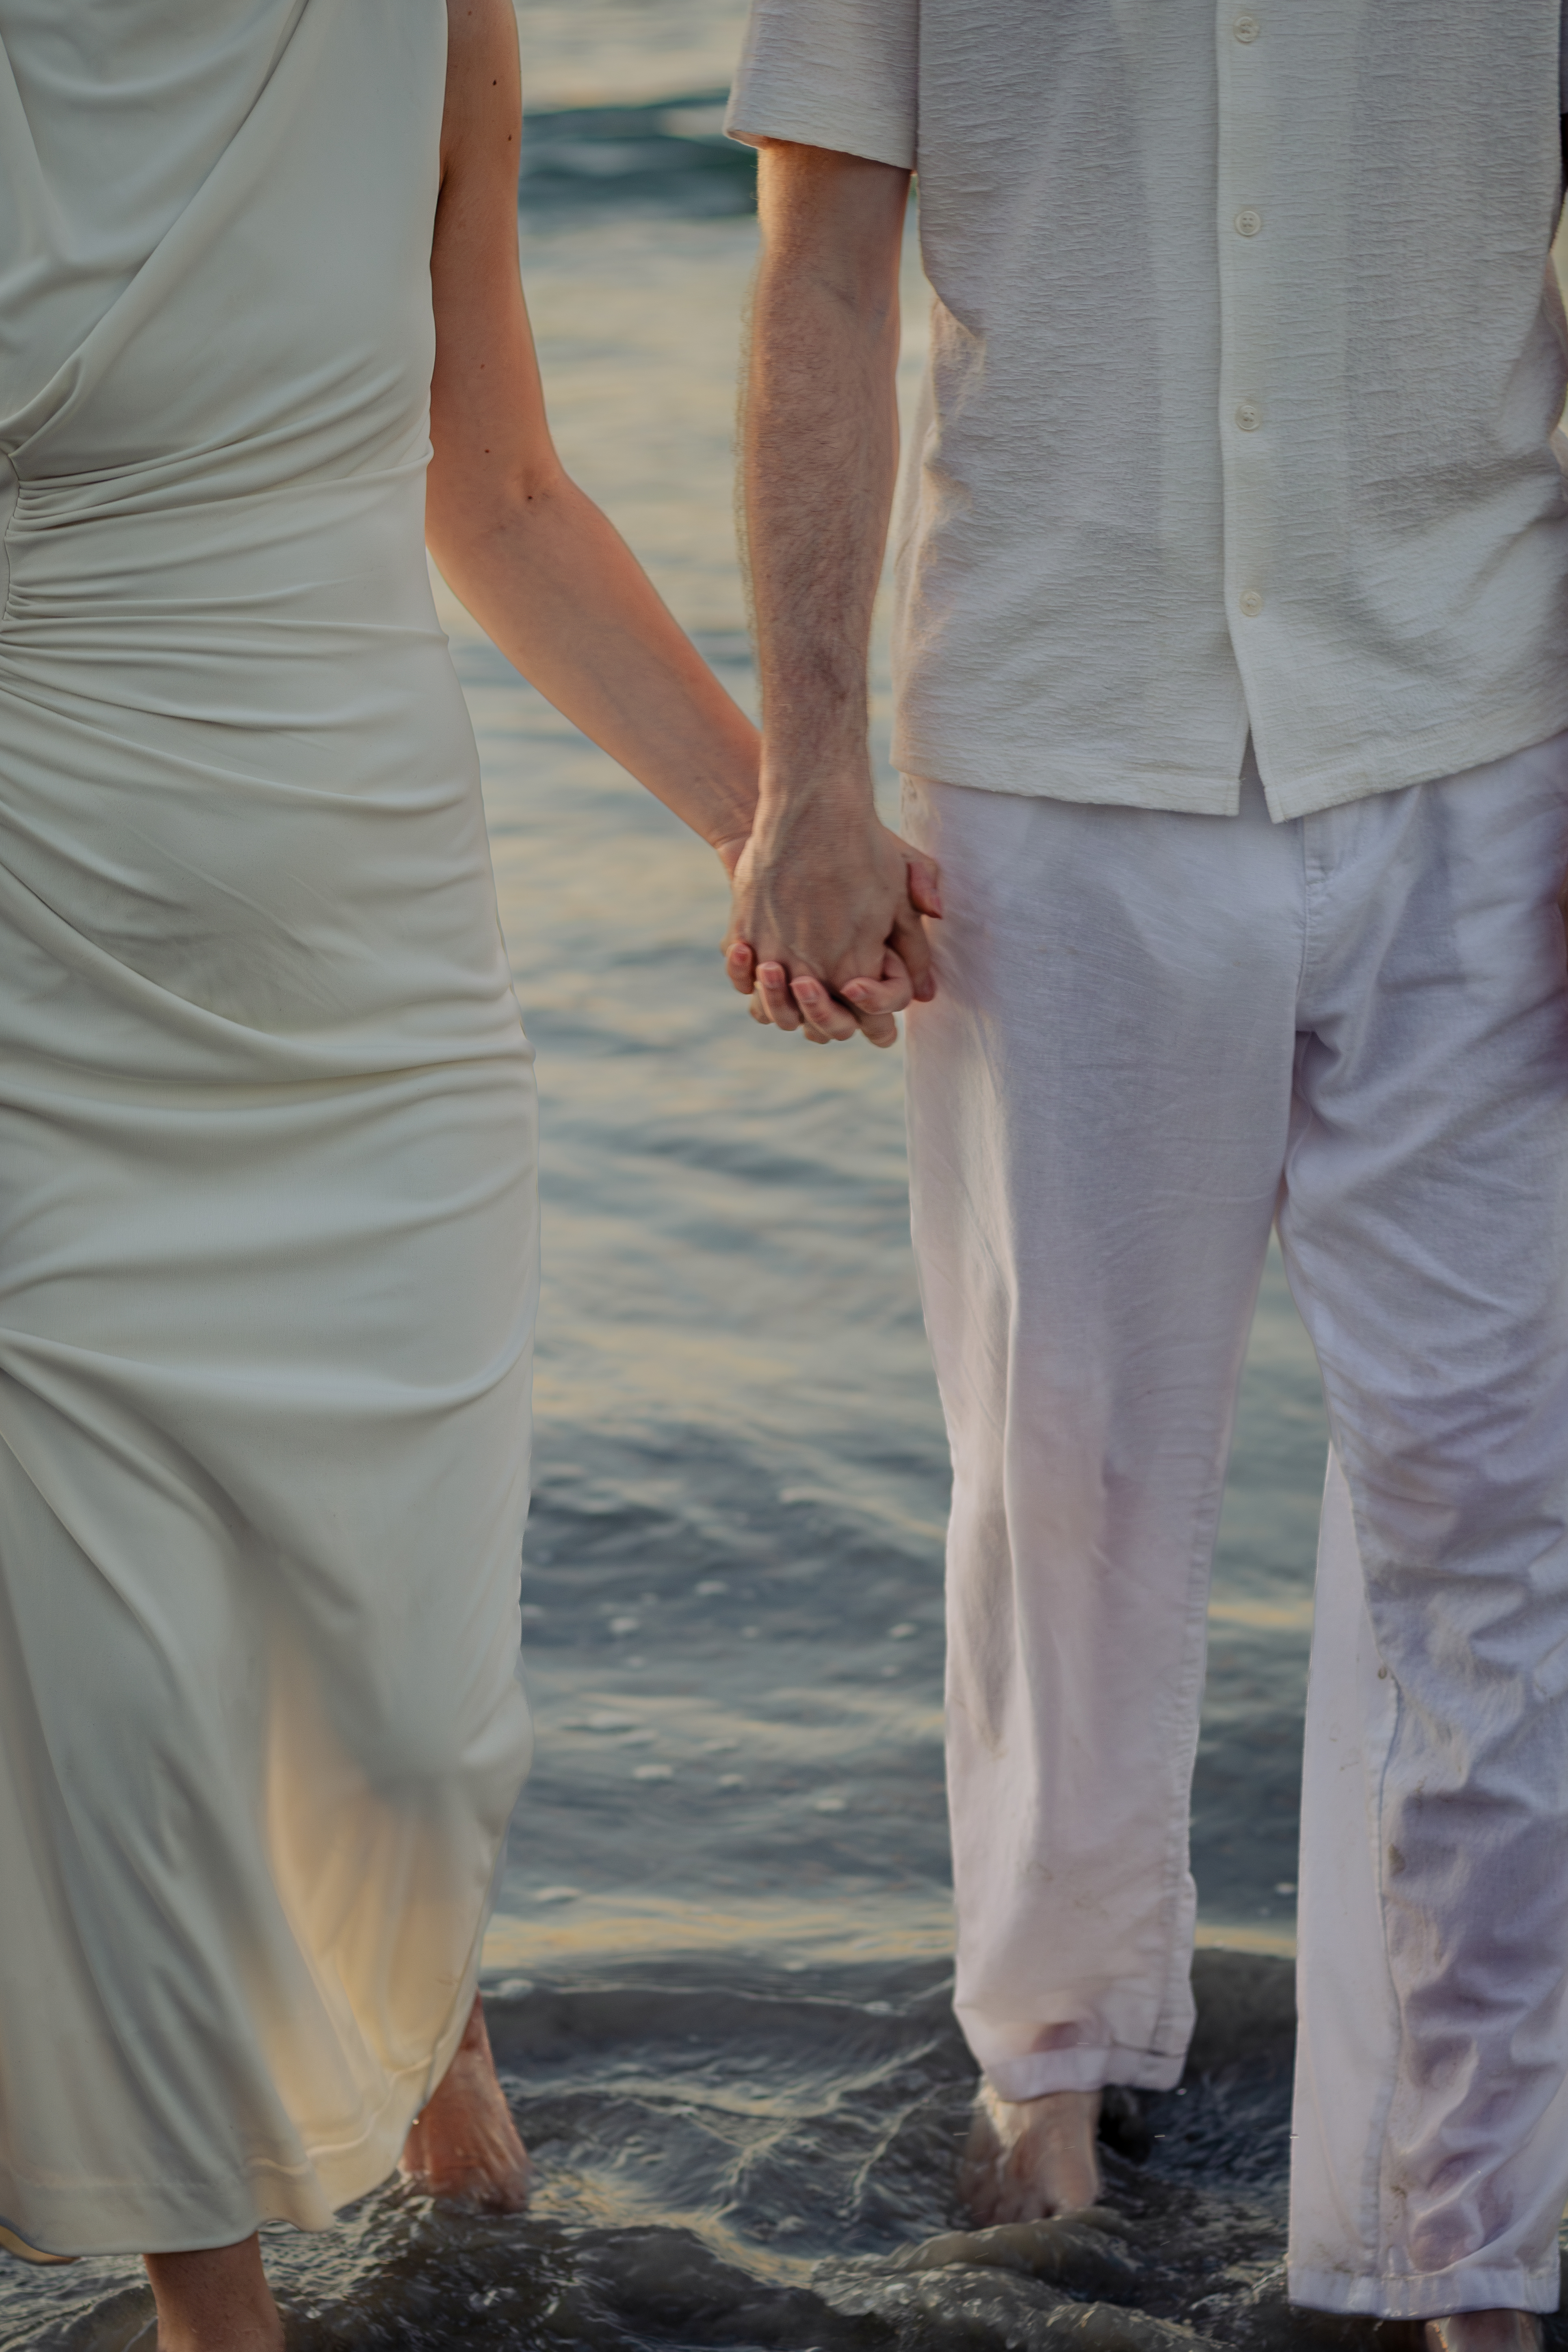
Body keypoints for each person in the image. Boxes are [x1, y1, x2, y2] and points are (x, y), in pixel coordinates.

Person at [0, 1, 921, 2343]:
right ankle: (223, 2301)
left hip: (369, 987)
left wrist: (763, 815)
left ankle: (433, 2057)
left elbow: (492, 485)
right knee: (104, 1716)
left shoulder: (421, 15)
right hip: (39, 977)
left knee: (405, 1711)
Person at [721, 4, 1568, 2345]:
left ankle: (1462, 2237)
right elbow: (817, 271)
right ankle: (1050, 2064)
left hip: (1478, 746)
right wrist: (800, 768)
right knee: (1063, 1475)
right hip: (1050, 755)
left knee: (1493, 1511)